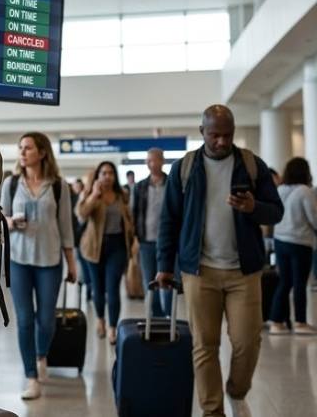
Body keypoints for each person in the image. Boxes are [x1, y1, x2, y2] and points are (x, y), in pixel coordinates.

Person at [156, 105, 283, 417]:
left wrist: (254, 207)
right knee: (204, 345)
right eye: (215, 135)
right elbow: (168, 220)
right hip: (199, 271)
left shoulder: (252, 166)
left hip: (244, 271)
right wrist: (164, 266)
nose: (222, 142)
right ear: (202, 132)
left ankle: (237, 391)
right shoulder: (184, 168)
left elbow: (276, 211)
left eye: (228, 135)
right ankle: (213, 411)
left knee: (247, 342)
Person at [1, 132, 77, 400]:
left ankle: (42, 354)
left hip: (50, 261)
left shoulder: (58, 186)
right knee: (24, 320)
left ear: (42, 152)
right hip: (19, 261)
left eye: (28, 148)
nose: (22, 152)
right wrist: (10, 222)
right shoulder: (11, 184)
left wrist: (72, 264)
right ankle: (31, 376)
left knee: (45, 320)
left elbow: (66, 226)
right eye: (20, 148)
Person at [75, 160, 134, 345]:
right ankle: (100, 319)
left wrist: (133, 240)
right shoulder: (92, 194)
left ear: (115, 176)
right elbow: (81, 214)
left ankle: (112, 328)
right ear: (98, 176)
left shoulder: (122, 195)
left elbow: (129, 219)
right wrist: (93, 195)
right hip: (93, 247)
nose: (107, 176)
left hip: (117, 246)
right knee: (97, 288)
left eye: (110, 173)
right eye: (103, 173)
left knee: (112, 287)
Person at [267, 157, 317, 335]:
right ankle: (301, 323)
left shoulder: (280, 190)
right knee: (299, 284)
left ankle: (276, 322)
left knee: (284, 282)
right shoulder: (305, 191)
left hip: (280, 240)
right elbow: (313, 217)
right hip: (300, 242)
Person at [132, 148, 172, 317]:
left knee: (169, 281)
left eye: (155, 160)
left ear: (162, 161)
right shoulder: (140, 186)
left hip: (169, 242)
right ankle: (156, 317)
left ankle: (169, 315)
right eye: (148, 161)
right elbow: (135, 214)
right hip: (146, 241)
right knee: (150, 280)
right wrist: (135, 238)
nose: (151, 164)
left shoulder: (172, 184)